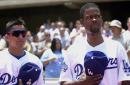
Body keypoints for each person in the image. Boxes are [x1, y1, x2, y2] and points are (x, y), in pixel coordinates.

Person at [59, 3, 130, 85]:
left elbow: (126, 80)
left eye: (97, 16)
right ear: (82, 22)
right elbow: (63, 82)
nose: (94, 19)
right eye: (89, 17)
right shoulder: (72, 51)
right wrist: (82, 83)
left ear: (101, 19)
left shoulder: (117, 47)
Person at [0, 18, 44, 85]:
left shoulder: (35, 61)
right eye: (16, 33)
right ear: (7, 37)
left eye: (23, 33)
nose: (20, 37)